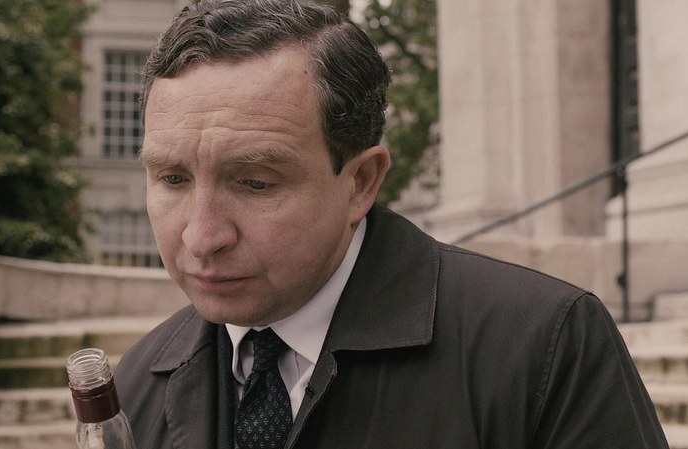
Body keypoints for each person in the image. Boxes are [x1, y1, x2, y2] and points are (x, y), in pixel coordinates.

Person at [113, 0, 669, 448]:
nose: (202, 238)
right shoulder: (133, 386)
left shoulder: (545, 348)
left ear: (361, 182)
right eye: (173, 179)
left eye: (256, 182)